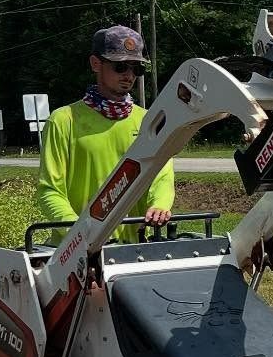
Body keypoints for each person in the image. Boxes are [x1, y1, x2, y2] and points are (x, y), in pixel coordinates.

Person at [33, 24, 175, 233]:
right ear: (95, 63)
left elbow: (162, 175)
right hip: (77, 256)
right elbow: (50, 190)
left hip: (133, 250)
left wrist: (160, 204)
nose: (129, 75)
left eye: (136, 68)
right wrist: (78, 234)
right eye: (120, 67)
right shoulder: (64, 120)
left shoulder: (149, 121)